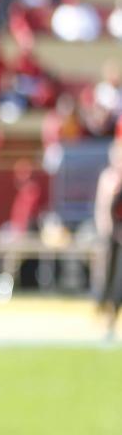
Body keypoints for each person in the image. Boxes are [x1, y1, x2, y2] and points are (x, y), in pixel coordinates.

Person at [94, 139, 122, 340]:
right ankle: (107, 317)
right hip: (113, 236)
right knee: (109, 277)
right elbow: (103, 208)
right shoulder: (108, 179)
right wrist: (106, 230)